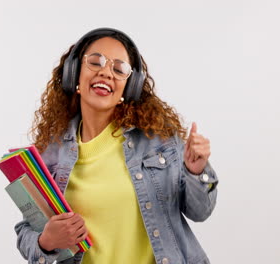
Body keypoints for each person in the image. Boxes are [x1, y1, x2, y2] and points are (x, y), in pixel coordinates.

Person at [14, 28, 218, 264]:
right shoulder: (50, 152)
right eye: (95, 61)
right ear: (74, 73)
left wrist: (196, 172)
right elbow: (28, 229)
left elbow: (200, 211)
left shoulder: (158, 139)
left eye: (119, 69)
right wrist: (46, 242)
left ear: (129, 86)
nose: (106, 73)